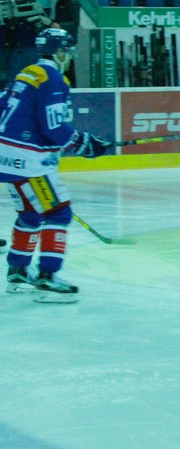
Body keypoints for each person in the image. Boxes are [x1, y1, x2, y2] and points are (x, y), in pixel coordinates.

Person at [2, 29, 112, 303]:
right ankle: (47, 279)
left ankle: (18, 270)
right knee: (59, 213)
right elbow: (53, 128)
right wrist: (84, 143)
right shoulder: (54, 80)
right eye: (68, 50)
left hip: (6, 156)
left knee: (30, 213)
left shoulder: (28, 72)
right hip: (29, 162)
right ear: (59, 51)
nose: (70, 55)